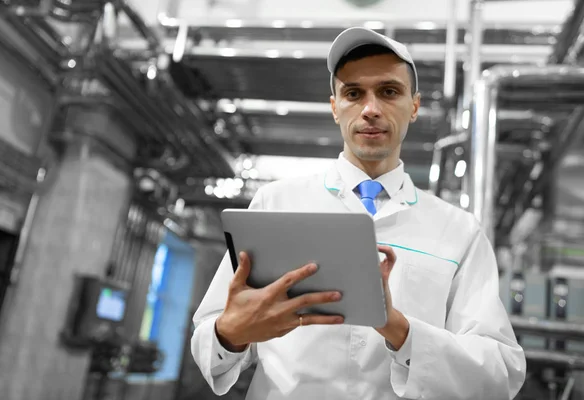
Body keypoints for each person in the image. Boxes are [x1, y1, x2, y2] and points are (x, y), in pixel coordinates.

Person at [191, 27, 527, 400]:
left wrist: (399, 329)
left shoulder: (458, 231)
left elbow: (500, 372)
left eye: (389, 91)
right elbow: (210, 344)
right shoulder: (277, 203)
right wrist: (229, 334)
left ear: (413, 106)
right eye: (353, 93)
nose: (370, 109)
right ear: (335, 106)